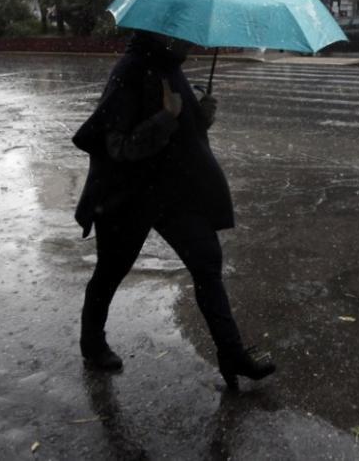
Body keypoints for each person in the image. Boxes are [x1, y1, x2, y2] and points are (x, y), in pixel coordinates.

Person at [72, 30, 276, 389]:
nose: (190, 41)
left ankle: (231, 353)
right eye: (182, 35)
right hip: (128, 195)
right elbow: (118, 147)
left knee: (207, 264)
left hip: (175, 192)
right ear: (162, 34)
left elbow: (183, 133)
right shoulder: (130, 70)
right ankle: (92, 343)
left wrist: (200, 116)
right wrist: (167, 118)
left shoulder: (171, 68)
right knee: (110, 272)